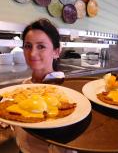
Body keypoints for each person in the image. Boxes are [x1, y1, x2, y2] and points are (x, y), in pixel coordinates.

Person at [14, 18, 76, 153]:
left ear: (56, 52)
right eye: (28, 46)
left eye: (41, 46)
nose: (32, 53)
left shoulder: (66, 92)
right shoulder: (23, 87)